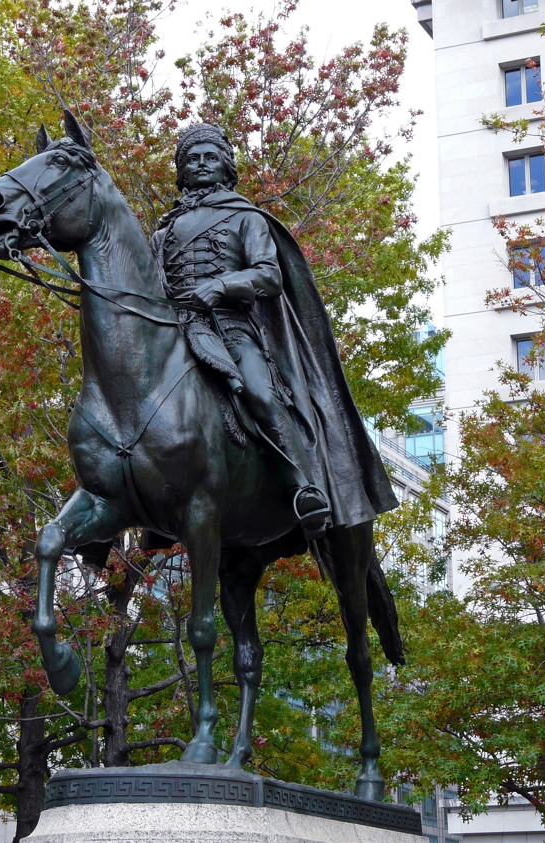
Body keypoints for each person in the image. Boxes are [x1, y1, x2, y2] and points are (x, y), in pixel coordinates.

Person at [152, 124, 398, 540]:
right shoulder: (164, 231)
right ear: (182, 170)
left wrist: (221, 285)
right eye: (191, 159)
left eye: (210, 157)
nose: (200, 164)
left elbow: (269, 275)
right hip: (173, 331)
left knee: (261, 393)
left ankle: (304, 487)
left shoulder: (246, 217)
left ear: (225, 166)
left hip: (230, 329)